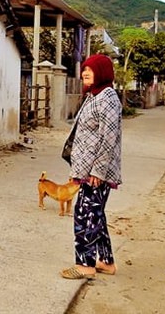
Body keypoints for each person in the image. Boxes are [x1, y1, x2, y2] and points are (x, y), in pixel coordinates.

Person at [61, 54, 122, 280]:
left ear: (103, 73)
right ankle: (105, 261)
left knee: (84, 214)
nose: (85, 73)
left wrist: (98, 170)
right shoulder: (94, 95)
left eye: (91, 70)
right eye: (84, 69)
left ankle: (85, 265)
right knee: (95, 214)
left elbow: (109, 137)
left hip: (97, 172)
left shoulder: (107, 98)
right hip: (88, 169)